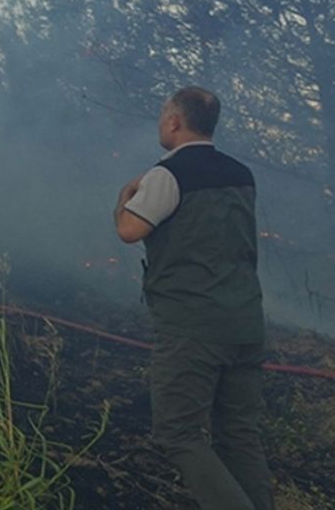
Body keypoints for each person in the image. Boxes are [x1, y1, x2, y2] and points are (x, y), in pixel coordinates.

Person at [113, 86, 272, 510]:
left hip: (193, 328)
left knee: (177, 434)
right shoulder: (242, 174)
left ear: (175, 122)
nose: (161, 120)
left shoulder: (168, 175)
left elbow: (129, 231)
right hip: (246, 323)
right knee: (239, 437)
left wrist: (124, 199)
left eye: (164, 113)